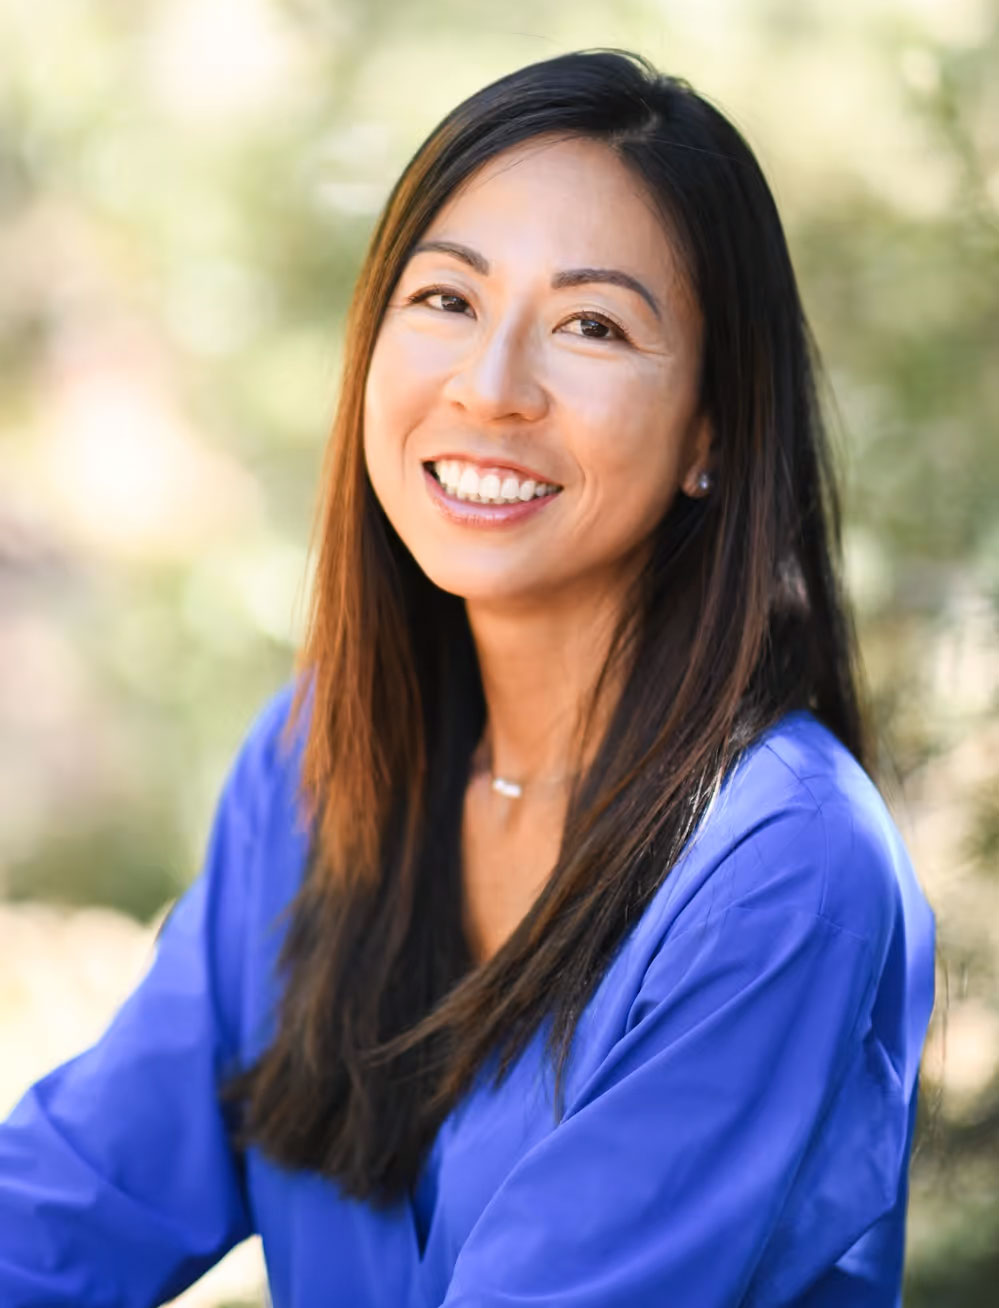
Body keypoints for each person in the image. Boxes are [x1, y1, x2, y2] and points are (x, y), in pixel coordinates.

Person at [0, 47, 935, 1308]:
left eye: (591, 326)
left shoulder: (780, 871)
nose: (490, 389)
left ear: (714, 433)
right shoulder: (319, 759)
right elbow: (83, 1195)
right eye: (446, 300)